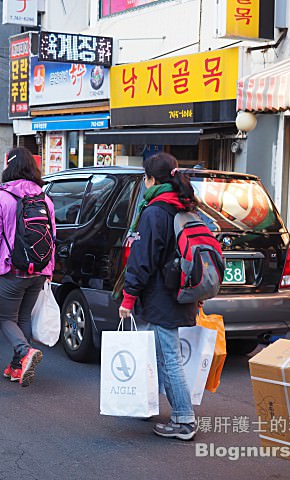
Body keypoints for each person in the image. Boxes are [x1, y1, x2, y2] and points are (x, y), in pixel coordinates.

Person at [119, 152, 199, 441]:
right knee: (158, 353)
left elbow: (143, 260)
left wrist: (128, 298)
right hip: (178, 292)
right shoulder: (185, 207)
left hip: (162, 295)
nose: (144, 182)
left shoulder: (155, 211)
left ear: (151, 179)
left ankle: (184, 418)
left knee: (169, 357)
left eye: (145, 176)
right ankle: (148, 401)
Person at [0, 147, 56, 387]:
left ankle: (24, 351)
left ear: (9, 166)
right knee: (23, 318)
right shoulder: (44, 197)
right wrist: (49, 269)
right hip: (39, 270)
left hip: (11, 270)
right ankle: (16, 367)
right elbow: (53, 236)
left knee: (5, 318)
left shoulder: (0, 197)